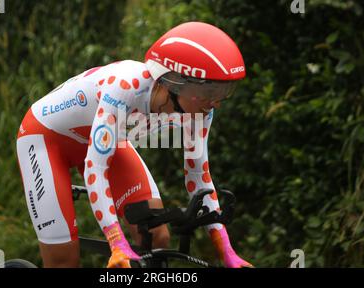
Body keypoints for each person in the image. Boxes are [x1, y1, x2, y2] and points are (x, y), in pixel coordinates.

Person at [16, 21, 253, 268]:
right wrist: (117, 242)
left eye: (223, 92)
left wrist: (226, 251)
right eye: (210, 92)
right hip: (45, 139)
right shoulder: (124, 89)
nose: (216, 103)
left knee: (155, 236)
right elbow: (95, 169)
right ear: (175, 82)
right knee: (64, 261)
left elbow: (199, 177)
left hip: (105, 138)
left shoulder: (200, 111)